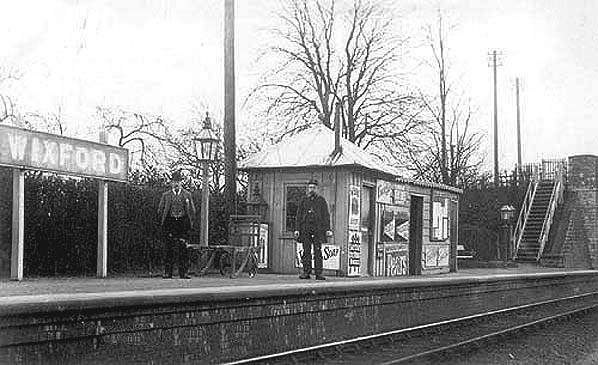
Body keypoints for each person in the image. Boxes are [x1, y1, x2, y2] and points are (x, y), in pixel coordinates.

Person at [158, 170, 196, 279]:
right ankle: (167, 272)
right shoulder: (166, 195)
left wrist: (189, 222)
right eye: (174, 181)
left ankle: (183, 272)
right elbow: (160, 209)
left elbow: (192, 210)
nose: (176, 183)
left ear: (181, 183)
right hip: (170, 222)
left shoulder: (187, 195)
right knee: (168, 248)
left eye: (178, 181)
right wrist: (164, 221)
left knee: (183, 248)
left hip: (182, 223)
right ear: (171, 183)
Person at [294, 178, 332, 280]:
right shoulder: (303, 200)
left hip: (318, 229)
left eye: (314, 188)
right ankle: (306, 272)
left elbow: (326, 216)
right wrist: (297, 229)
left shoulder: (321, 201)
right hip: (305, 228)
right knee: (306, 251)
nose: (312, 189)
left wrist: (328, 229)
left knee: (318, 251)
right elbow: (298, 215)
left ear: (317, 189)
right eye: (310, 187)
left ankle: (319, 273)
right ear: (308, 188)